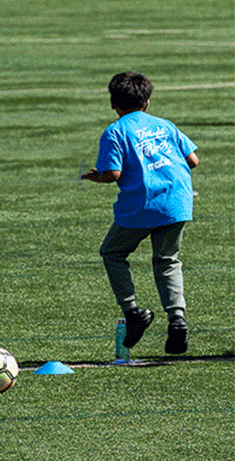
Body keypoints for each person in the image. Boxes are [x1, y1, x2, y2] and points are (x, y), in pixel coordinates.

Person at [81, 72, 198, 355]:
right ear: (147, 102)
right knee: (167, 260)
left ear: (112, 103)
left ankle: (133, 312)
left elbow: (113, 173)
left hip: (143, 204)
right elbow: (193, 159)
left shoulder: (115, 131)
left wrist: (94, 177)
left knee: (112, 252)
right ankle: (177, 320)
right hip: (177, 202)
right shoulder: (165, 125)